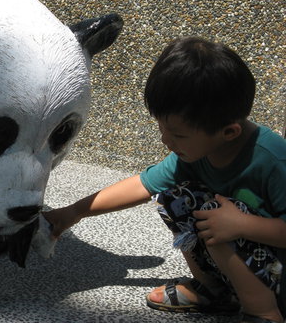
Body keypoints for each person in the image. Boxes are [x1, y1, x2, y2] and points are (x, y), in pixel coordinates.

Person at [43, 36, 286, 323]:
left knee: (213, 216)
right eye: (162, 128)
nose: (165, 141)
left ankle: (264, 313)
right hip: (251, 260)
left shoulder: (273, 160)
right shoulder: (198, 152)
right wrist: (73, 213)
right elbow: (144, 185)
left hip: (277, 272)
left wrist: (242, 224)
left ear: (229, 132)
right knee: (177, 199)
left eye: (178, 135)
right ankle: (216, 291)